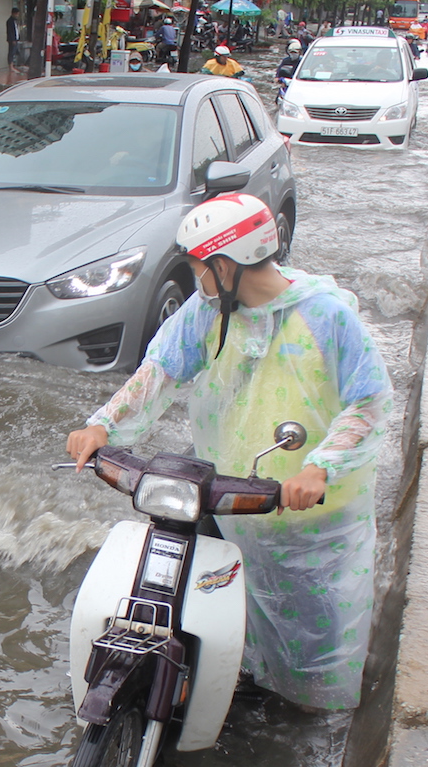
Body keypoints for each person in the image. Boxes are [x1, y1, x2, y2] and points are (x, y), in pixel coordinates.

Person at [65, 193, 392, 712]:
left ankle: (312, 717)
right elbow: (161, 372)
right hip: (235, 494)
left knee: (312, 639)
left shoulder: (326, 317)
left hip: (310, 509)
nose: (197, 278)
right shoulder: (207, 313)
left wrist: (320, 466)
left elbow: (368, 403)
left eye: (199, 266)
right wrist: (102, 425)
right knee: (231, 603)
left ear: (225, 263)